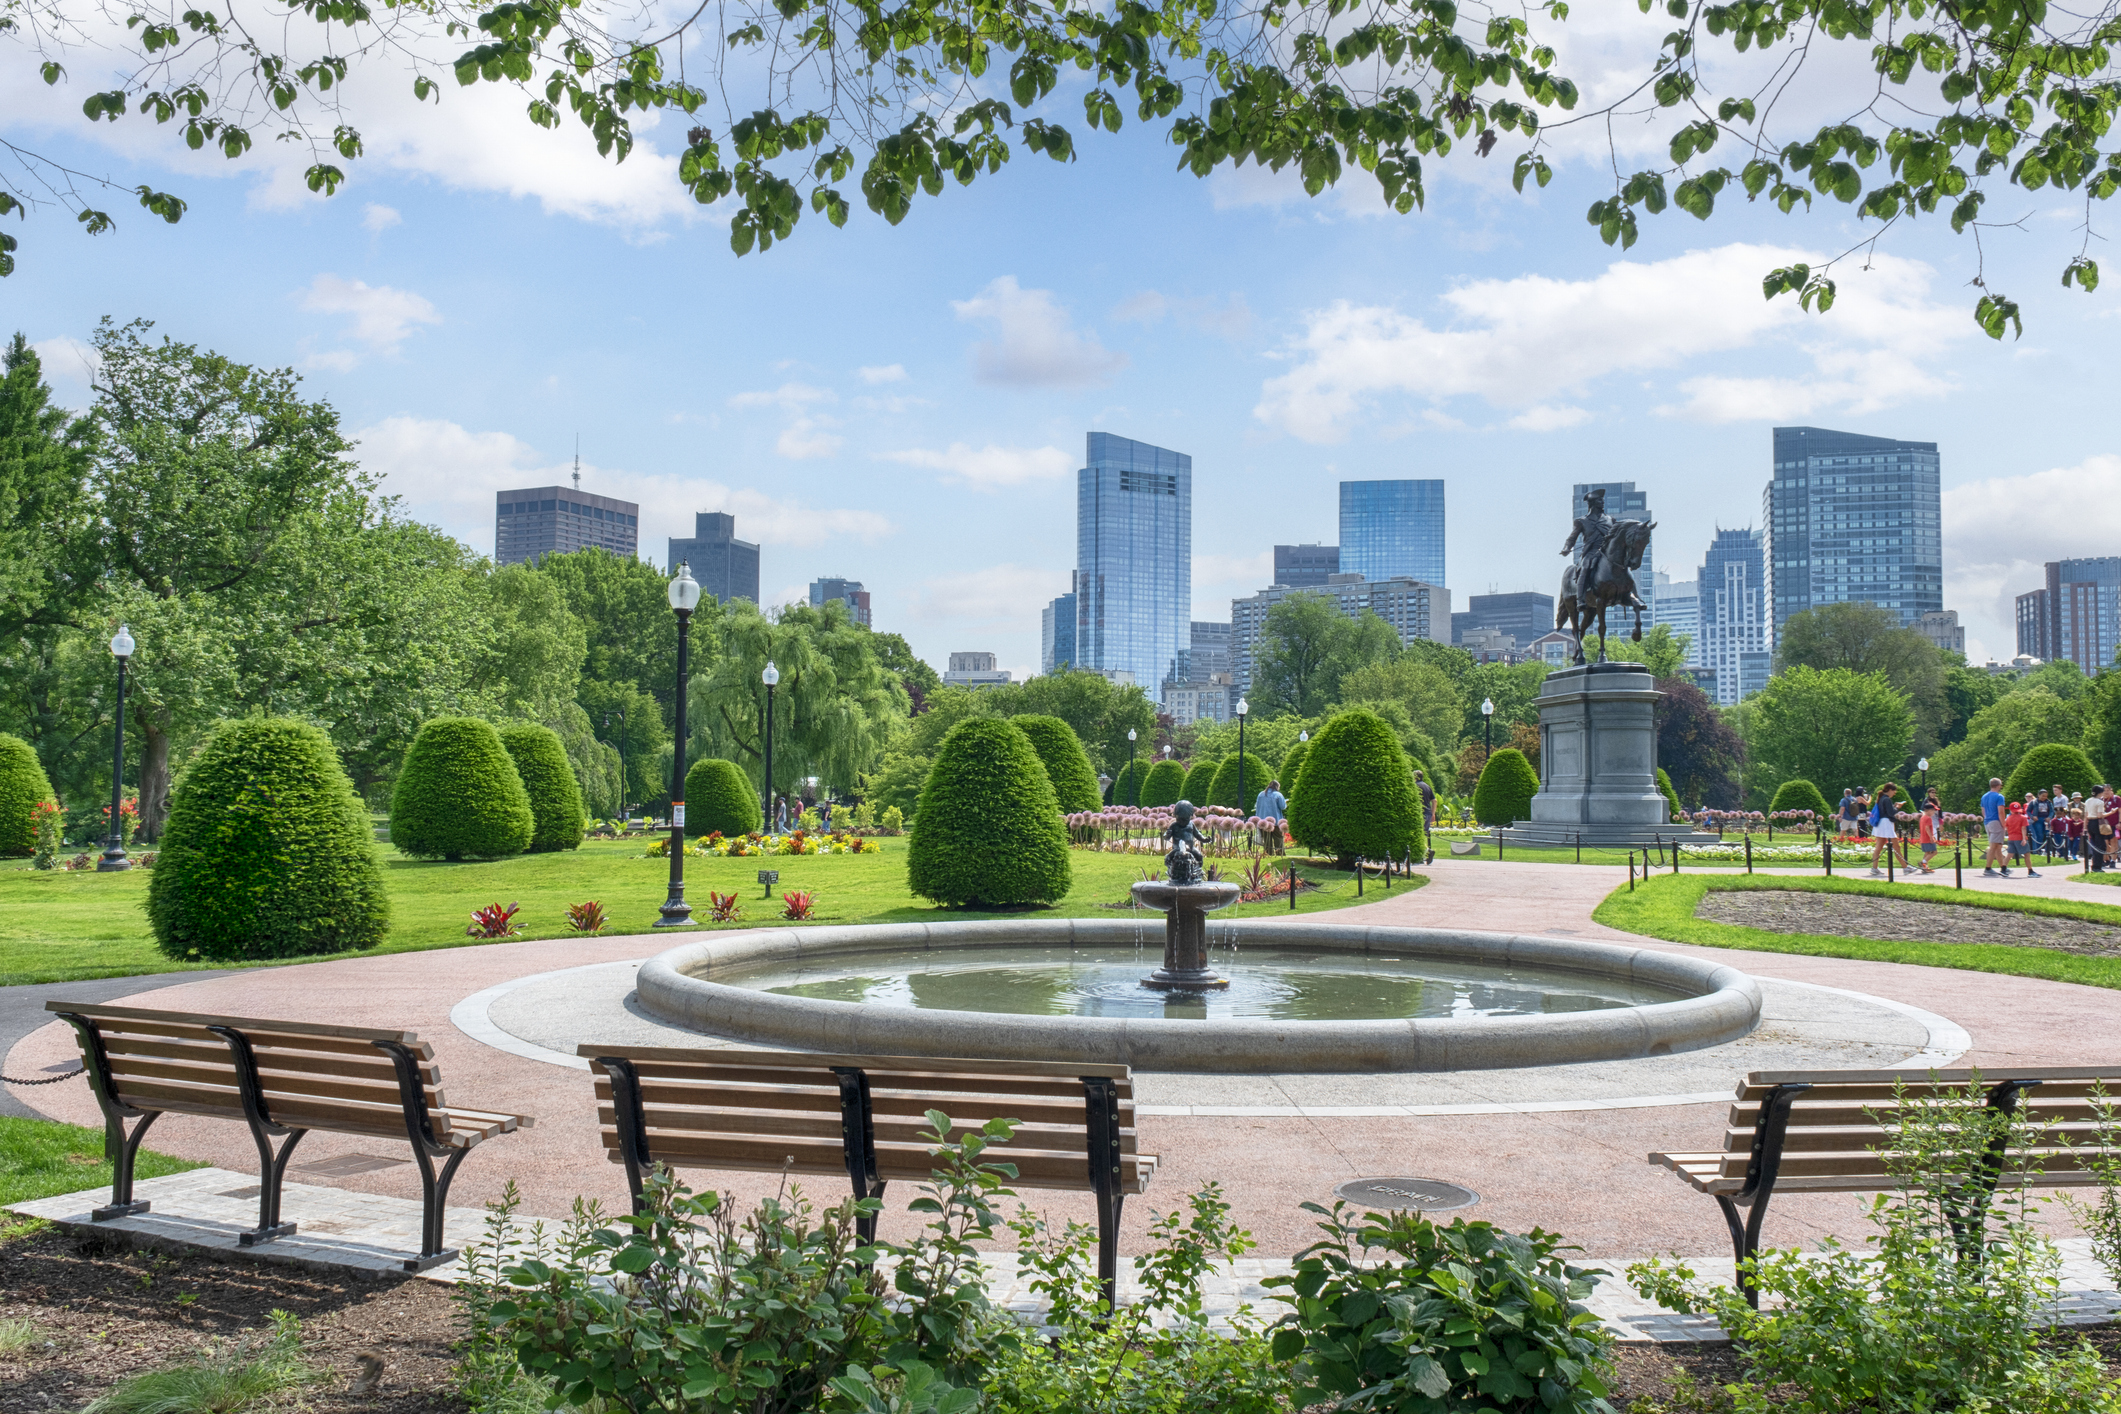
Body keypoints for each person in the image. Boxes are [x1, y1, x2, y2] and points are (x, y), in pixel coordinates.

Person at [1868, 784, 1903, 875]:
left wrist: (1893, 807)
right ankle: (1905, 867)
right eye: (1894, 791)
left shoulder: (1881, 798)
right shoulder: (1886, 799)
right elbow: (1891, 813)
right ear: (1890, 790)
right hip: (1886, 824)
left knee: (1878, 847)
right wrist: (1897, 808)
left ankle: (1874, 868)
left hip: (1880, 823)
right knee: (1896, 847)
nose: (1894, 793)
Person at [1981, 777, 2010, 876]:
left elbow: (1983, 811)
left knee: (1998, 846)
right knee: (1993, 846)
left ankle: (2003, 867)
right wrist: (2004, 824)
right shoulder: (1999, 797)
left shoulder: (1984, 796)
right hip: (1996, 821)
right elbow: (2001, 812)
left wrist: (1987, 818)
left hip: (1987, 822)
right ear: (1999, 785)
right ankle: (1988, 868)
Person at [2004, 800, 2039, 878]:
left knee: (2009, 854)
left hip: (2011, 838)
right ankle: (2030, 871)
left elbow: (2006, 828)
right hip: (2019, 838)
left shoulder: (2008, 818)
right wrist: (2024, 838)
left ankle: (2003, 869)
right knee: (2027, 854)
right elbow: (2023, 828)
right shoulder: (2023, 818)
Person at [1253, 779, 1288, 855]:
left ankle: (1268, 854)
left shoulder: (1261, 794)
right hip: (1276, 821)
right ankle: (1280, 854)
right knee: (1278, 839)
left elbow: (1257, 806)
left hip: (1263, 821)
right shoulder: (1278, 795)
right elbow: (1282, 807)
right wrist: (1285, 802)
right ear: (1277, 787)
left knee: (1267, 840)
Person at [1916, 797, 1941, 874]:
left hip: (1923, 838)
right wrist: (1931, 837)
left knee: (1927, 853)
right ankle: (1923, 862)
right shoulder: (1928, 818)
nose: (1934, 812)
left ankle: (1925, 867)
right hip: (1927, 839)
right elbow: (1927, 828)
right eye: (1933, 810)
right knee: (1934, 852)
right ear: (1929, 810)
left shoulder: (1922, 818)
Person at [2030, 789, 2051, 860]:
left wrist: (2049, 817)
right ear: (2039, 795)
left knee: (2048, 834)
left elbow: (2051, 811)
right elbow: (2028, 811)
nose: (2044, 797)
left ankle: (2047, 850)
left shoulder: (2048, 802)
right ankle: (2039, 850)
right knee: (2039, 835)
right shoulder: (2034, 802)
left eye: (2046, 796)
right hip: (2038, 820)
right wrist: (2032, 817)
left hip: (2046, 820)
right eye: (2043, 796)